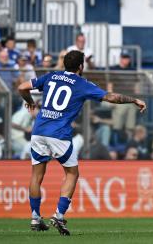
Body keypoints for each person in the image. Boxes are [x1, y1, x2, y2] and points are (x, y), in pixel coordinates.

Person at [17, 50, 146, 235]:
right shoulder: (82, 84)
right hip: (58, 134)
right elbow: (111, 97)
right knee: (72, 173)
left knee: (36, 175)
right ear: (80, 66)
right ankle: (59, 215)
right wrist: (133, 100)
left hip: (39, 131)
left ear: (64, 64)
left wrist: (30, 102)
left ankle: (35, 218)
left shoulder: (51, 76)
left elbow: (22, 87)